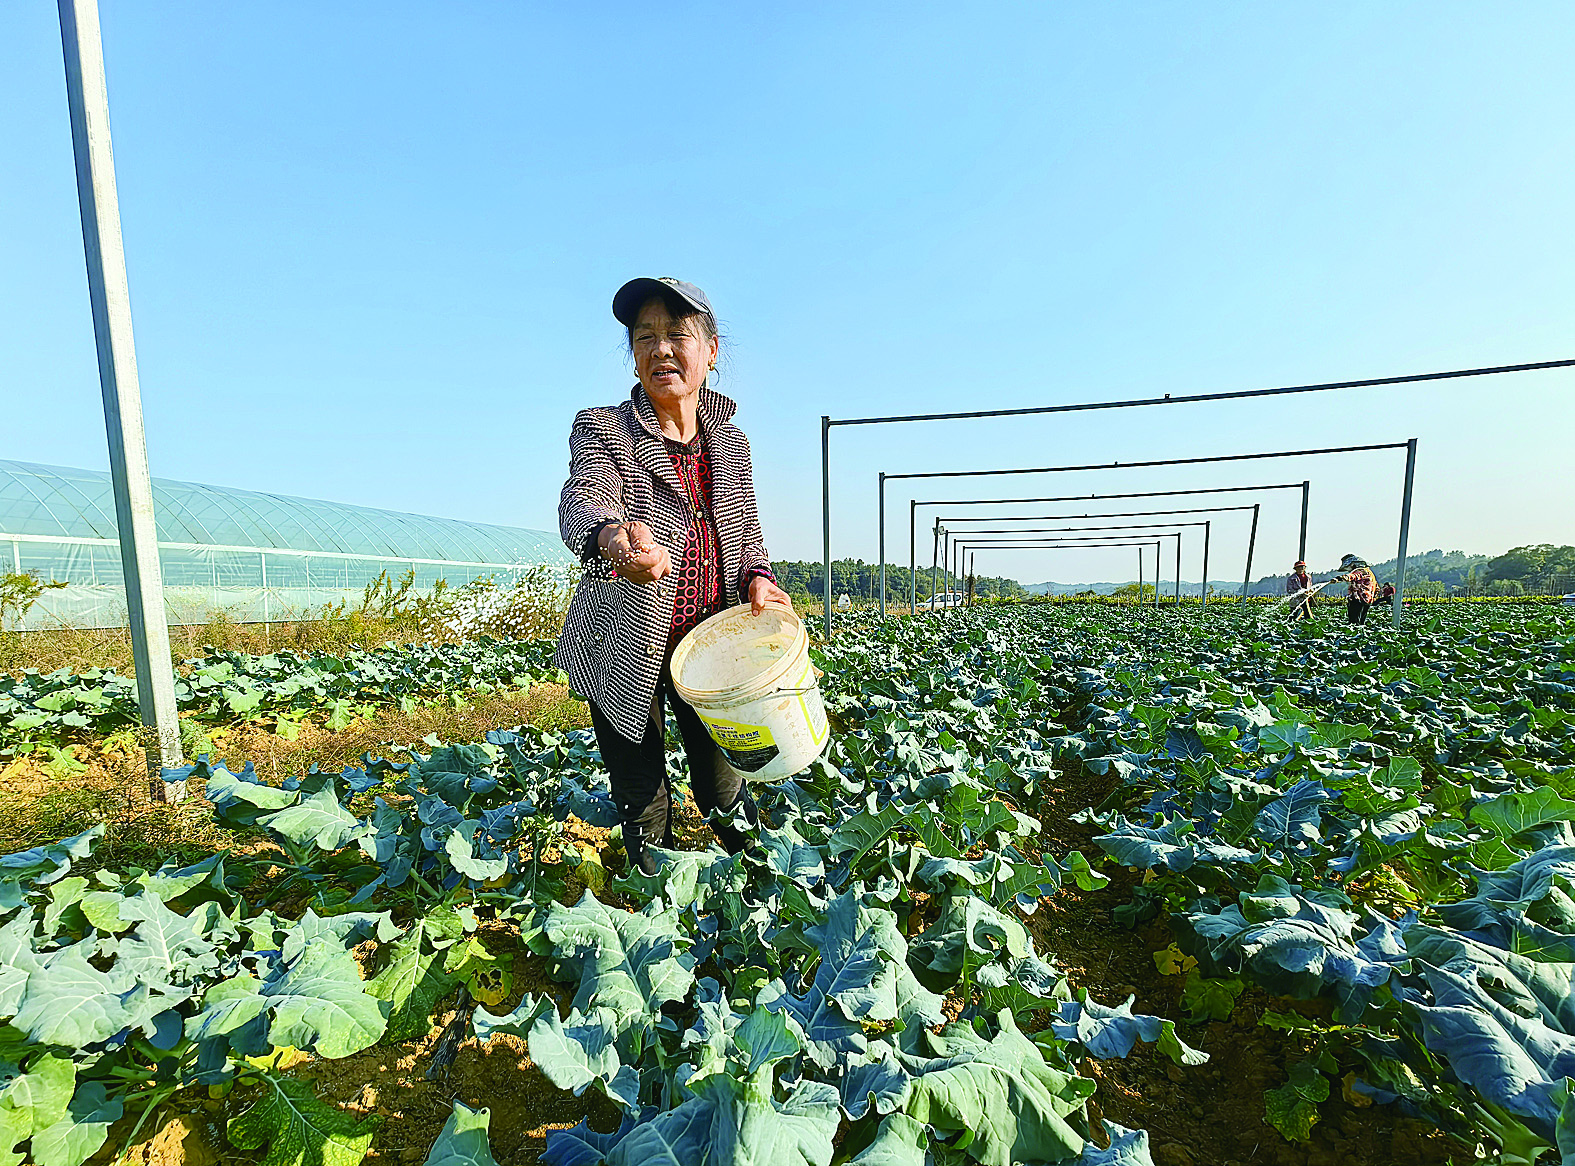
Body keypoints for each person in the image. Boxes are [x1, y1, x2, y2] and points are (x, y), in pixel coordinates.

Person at [554, 277, 792, 876]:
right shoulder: (604, 427)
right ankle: (652, 898)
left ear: (710, 351)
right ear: (634, 354)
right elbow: (584, 498)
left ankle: (762, 891)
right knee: (643, 795)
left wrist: (759, 579)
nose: (660, 349)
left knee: (723, 788)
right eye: (645, 337)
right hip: (625, 645)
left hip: (712, 650)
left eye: (676, 335)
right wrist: (616, 538)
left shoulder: (731, 441)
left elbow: (748, 536)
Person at [1335, 553, 1378, 625]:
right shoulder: (1370, 573)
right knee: (1361, 621)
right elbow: (1377, 588)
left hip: (1357, 599)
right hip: (1367, 600)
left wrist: (1340, 578)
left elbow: (1353, 576)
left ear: (1353, 564)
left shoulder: (1360, 571)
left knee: (1354, 622)